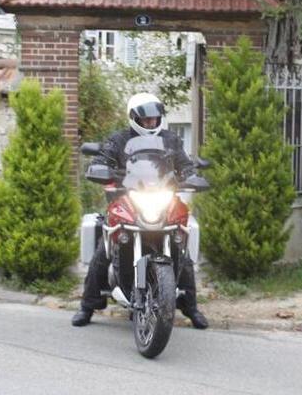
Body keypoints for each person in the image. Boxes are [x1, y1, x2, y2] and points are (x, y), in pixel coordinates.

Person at [72, 92, 209, 329]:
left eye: (155, 119)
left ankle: (190, 306)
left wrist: (192, 176)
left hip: (161, 200)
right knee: (104, 250)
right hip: (126, 200)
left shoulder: (171, 140)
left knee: (181, 251)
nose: (150, 124)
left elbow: (185, 165)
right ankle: (88, 305)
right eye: (146, 120)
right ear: (134, 118)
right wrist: (100, 169)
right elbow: (102, 160)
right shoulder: (118, 139)